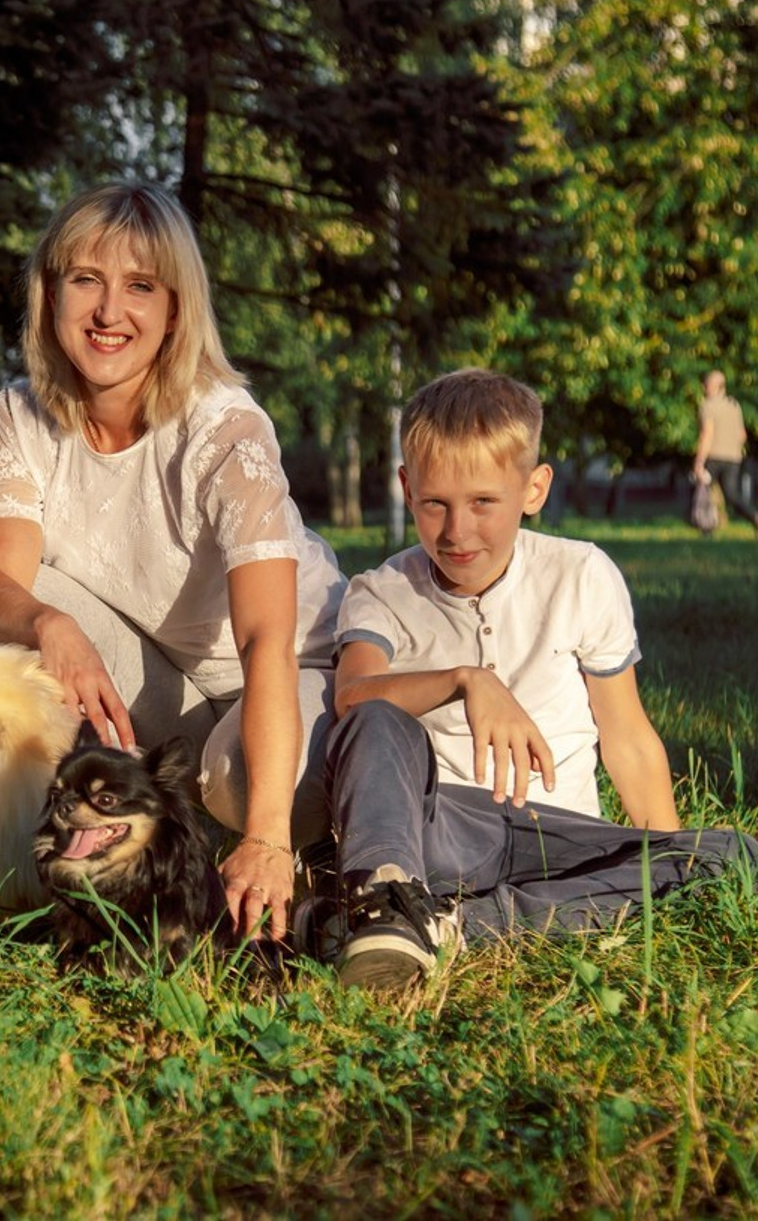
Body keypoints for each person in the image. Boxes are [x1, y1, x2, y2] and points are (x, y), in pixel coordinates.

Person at [0, 182, 346, 943]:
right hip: (169, 679)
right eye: (87, 280)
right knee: (25, 615)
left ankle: (306, 847)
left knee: (235, 785)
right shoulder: (20, 413)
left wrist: (266, 836)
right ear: (50, 294)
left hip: (289, 675)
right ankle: (60, 852)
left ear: (175, 310)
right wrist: (50, 624)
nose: (109, 312)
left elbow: (266, 640)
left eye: (140, 286)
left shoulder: (225, 428)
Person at [294, 368, 758, 991]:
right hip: (444, 833)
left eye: (483, 503)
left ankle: (447, 927)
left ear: (534, 489)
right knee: (376, 717)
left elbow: (627, 737)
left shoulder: (581, 574)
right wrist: (465, 680)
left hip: (561, 835)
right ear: (407, 488)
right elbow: (353, 698)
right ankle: (387, 898)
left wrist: (664, 855)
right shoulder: (381, 592)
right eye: (435, 504)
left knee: (734, 856)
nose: (457, 531)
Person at [693, 369, 758, 533]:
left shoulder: (708, 406)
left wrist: (699, 461)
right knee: (732, 495)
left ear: (715, 386)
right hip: (734, 458)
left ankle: (705, 526)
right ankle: (754, 516)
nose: (704, 388)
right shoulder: (734, 406)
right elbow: (742, 435)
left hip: (714, 457)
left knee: (702, 489)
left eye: (706, 385)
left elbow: (707, 435)